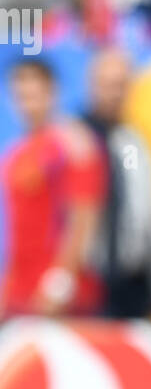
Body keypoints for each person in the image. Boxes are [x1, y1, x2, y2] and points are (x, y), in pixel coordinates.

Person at [0, 59, 107, 318]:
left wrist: (60, 284)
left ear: (53, 92)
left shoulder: (73, 143)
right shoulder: (16, 153)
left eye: (35, 95)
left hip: (61, 298)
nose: (28, 105)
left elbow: (84, 215)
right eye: (21, 96)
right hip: (21, 292)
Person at [84, 49, 151, 318]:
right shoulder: (76, 138)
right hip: (90, 284)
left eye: (121, 85)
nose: (114, 93)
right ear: (92, 86)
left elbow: (147, 211)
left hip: (133, 284)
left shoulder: (135, 140)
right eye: (107, 84)